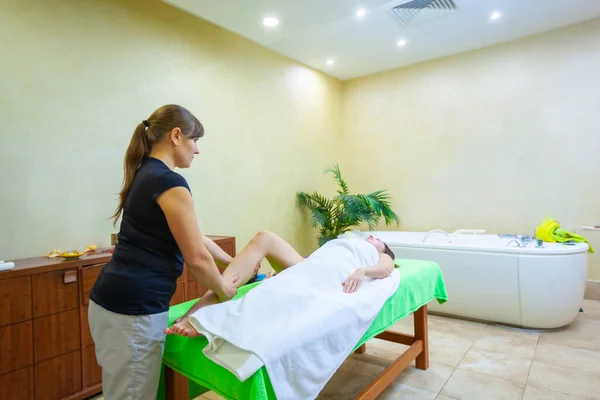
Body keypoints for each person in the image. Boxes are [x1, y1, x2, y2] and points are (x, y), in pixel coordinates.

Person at [88, 104, 239, 400]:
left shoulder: (147, 173)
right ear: (176, 136)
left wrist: (232, 261)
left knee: (121, 391)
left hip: (109, 302)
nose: (197, 150)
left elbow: (194, 236)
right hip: (134, 311)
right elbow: (196, 260)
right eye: (195, 140)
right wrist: (224, 289)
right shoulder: (169, 182)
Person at [165, 231, 396, 337]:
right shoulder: (349, 241)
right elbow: (319, 258)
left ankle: (202, 316)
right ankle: (204, 305)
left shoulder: (374, 253)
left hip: (330, 273)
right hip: (311, 264)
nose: (371, 237)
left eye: (377, 239)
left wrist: (363, 270)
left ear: (381, 247)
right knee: (264, 237)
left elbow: (387, 269)